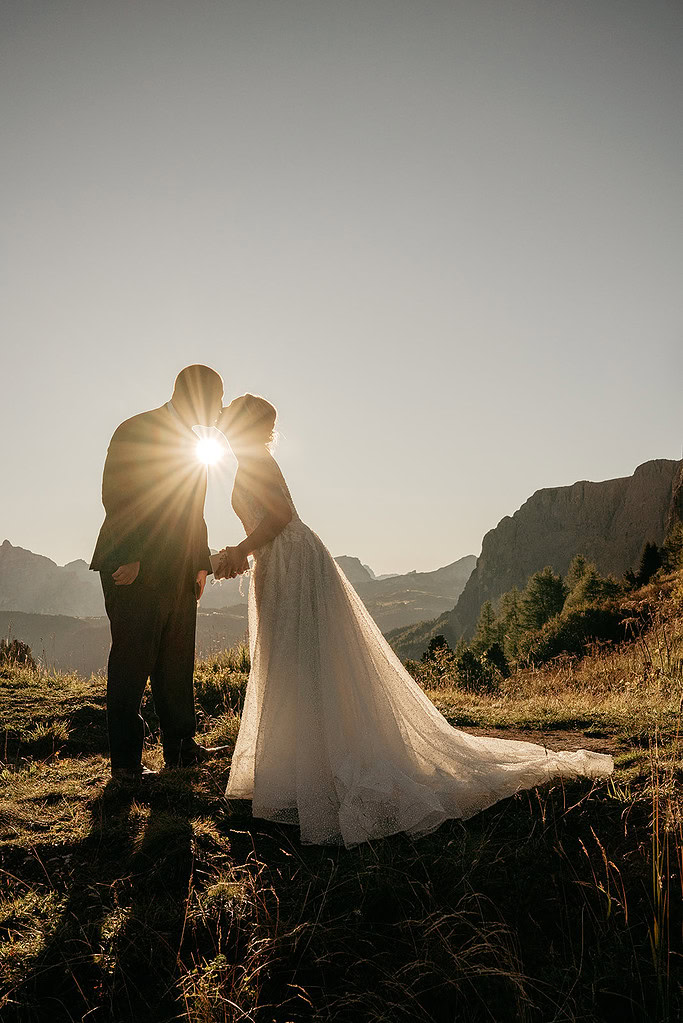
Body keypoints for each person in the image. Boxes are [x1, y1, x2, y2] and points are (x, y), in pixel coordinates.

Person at [214, 394, 614, 848]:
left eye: (230, 413)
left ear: (244, 423)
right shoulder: (252, 460)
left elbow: (280, 517)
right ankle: (296, 767)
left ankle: (311, 772)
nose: (223, 419)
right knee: (291, 661)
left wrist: (240, 550)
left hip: (291, 560)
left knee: (298, 659)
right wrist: (248, 550)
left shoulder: (255, 461)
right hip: (281, 560)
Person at [90, 365, 230, 785]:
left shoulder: (196, 445)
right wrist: (131, 555)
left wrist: (200, 563)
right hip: (133, 568)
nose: (221, 409)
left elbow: (193, 512)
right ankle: (126, 765)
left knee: (176, 662)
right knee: (132, 662)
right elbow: (118, 494)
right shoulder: (135, 429)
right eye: (217, 400)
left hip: (178, 570)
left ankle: (181, 749)